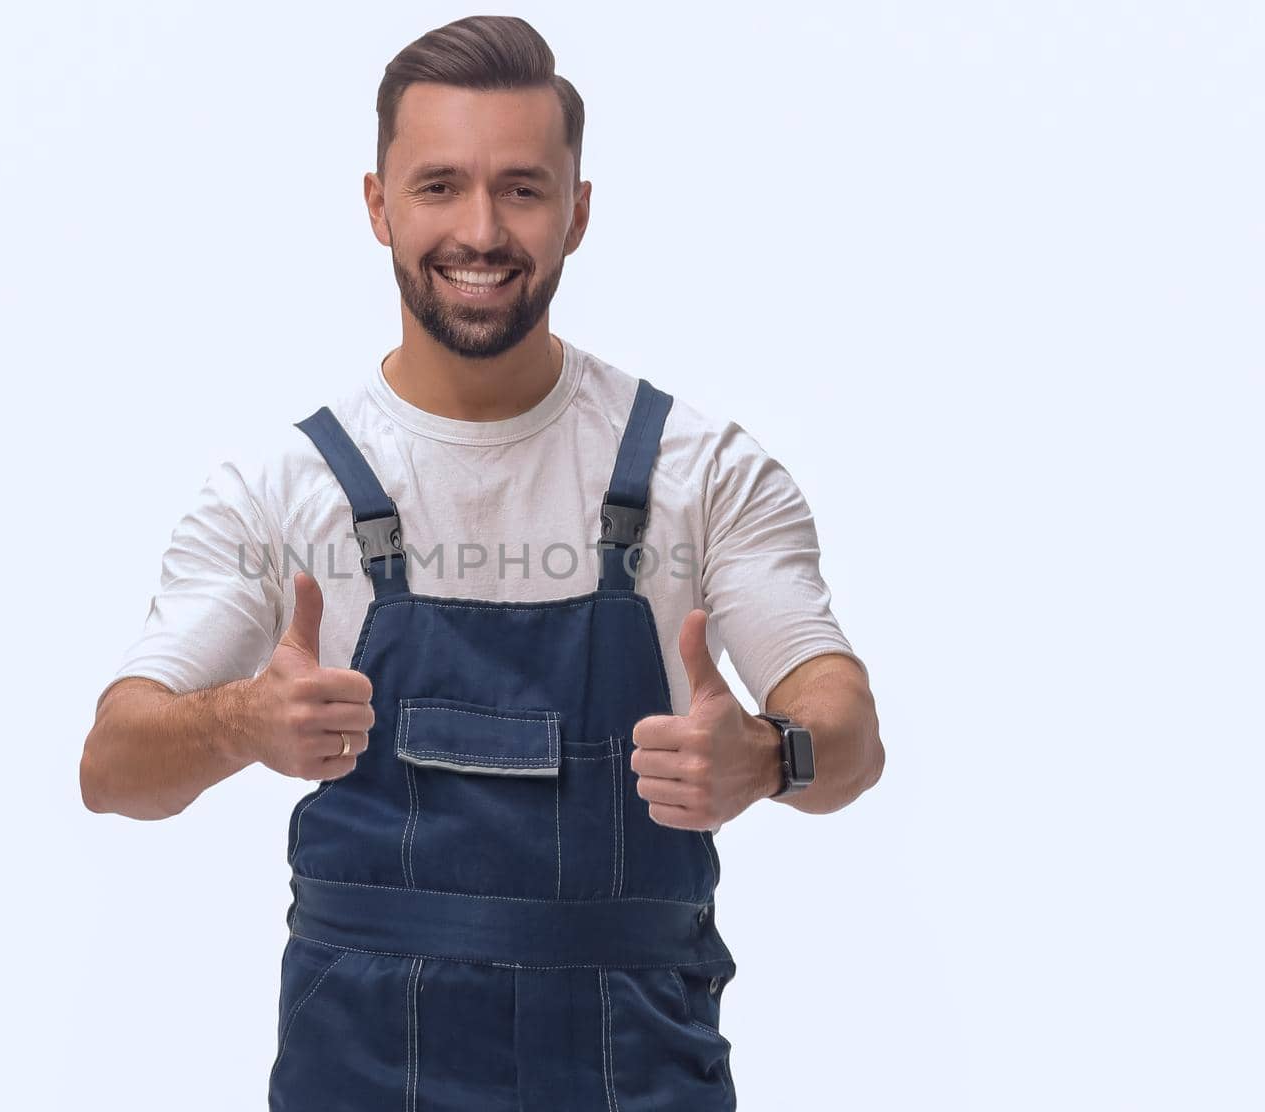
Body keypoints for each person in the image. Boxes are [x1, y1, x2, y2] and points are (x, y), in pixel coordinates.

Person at [80, 15, 884, 1110]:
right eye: (439, 186)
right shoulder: (282, 488)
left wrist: (770, 753)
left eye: (521, 188)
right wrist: (239, 724)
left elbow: (850, 734)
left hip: (632, 1065)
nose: (480, 228)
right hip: (356, 1069)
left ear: (577, 211)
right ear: (377, 204)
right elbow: (112, 767)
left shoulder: (704, 473)